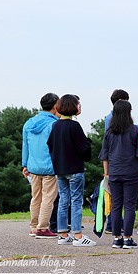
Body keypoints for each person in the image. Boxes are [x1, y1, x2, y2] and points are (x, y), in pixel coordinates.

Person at [100, 100, 138, 249]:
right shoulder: (135, 130)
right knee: (129, 206)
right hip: (132, 172)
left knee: (116, 205)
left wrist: (106, 173)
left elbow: (105, 155)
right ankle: (128, 239)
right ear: (129, 112)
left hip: (114, 172)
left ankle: (116, 238)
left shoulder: (109, 132)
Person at [47, 94, 96, 247]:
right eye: (78, 104)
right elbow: (84, 150)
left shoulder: (55, 126)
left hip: (59, 169)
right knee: (76, 201)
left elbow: (50, 146)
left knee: (63, 200)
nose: (80, 107)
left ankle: (62, 234)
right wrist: (88, 143)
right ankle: (78, 236)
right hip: (74, 169)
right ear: (72, 107)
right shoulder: (74, 126)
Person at [22, 92, 60, 238]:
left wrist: (25, 164)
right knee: (48, 198)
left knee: (35, 197)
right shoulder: (54, 124)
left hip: (33, 167)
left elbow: (25, 145)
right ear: (55, 105)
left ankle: (33, 227)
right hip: (50, 167)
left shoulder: (29, 123)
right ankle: (43, 228)